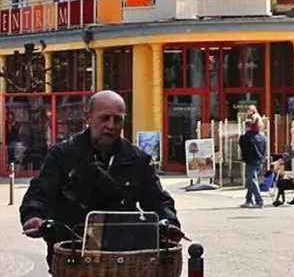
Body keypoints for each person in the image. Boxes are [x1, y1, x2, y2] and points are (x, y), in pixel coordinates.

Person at [20, 90, 180, 272]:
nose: (111, 125)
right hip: (73, 255)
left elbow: (157, 199)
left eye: (117, 119)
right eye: (104, 118)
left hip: (123, 257)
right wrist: (33, 216)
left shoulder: (137, 159)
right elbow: (40, 191)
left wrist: (169, 221)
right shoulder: (63, 155)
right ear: (88, 117)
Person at [238, 116, 269, 208]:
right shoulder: (263, 136)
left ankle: (259, 201)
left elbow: (242, 145)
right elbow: (265, 149)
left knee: (252, 180)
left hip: (250, 160)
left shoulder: (248, 135)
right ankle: (248, 200)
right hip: (260, 160)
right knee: (252, 180)